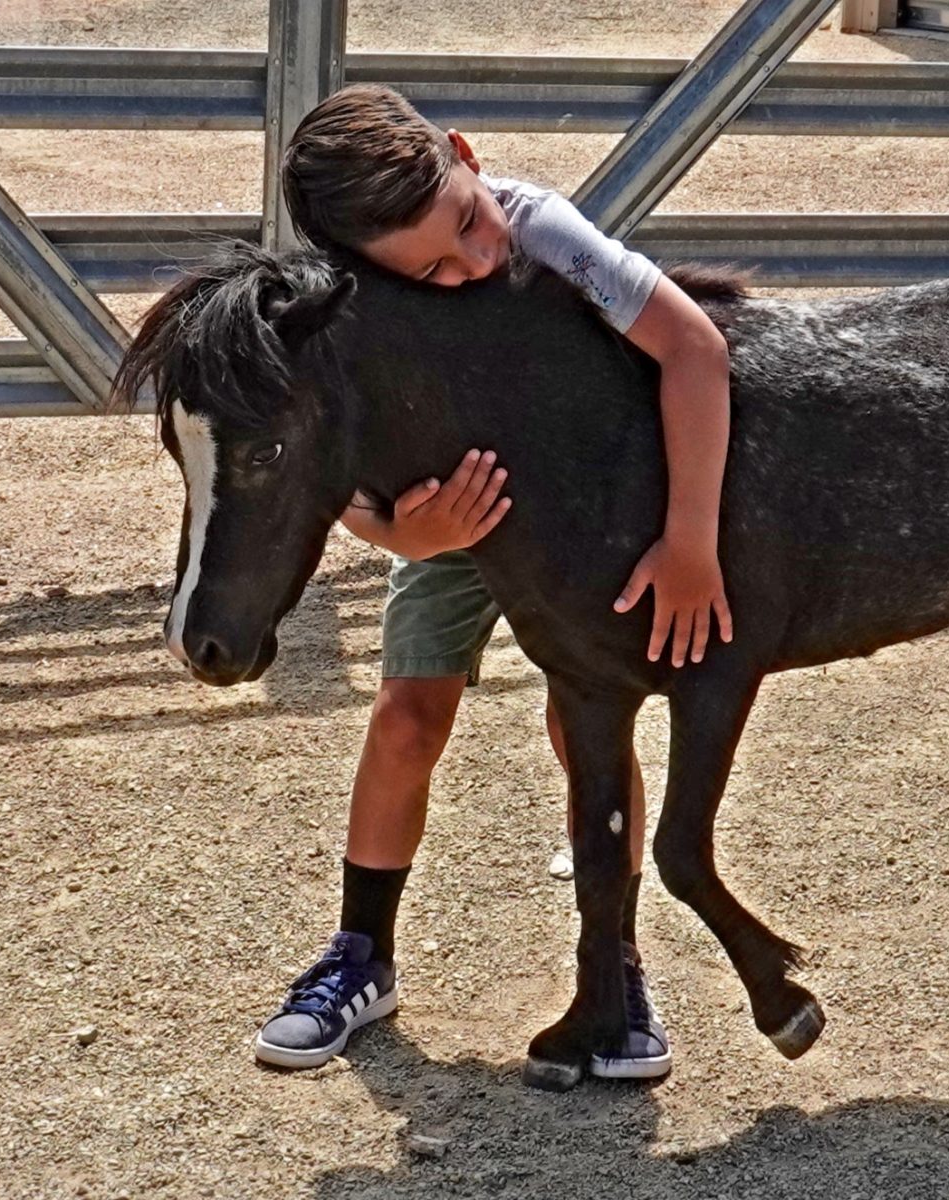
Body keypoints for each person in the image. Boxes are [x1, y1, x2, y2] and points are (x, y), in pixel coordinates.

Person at [250, 85, 735, 1080]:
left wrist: (690, 542)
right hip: (452, 532)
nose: (473, 261)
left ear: (466, 156)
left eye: (468, 223)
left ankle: (615, 971)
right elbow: (318, 448)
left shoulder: (541, 229)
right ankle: (360, 957)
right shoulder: (348, 299)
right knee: (405, 720)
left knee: (586, 729)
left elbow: (692, 348)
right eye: (432, 267)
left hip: (585, 523)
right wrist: (399, 529)